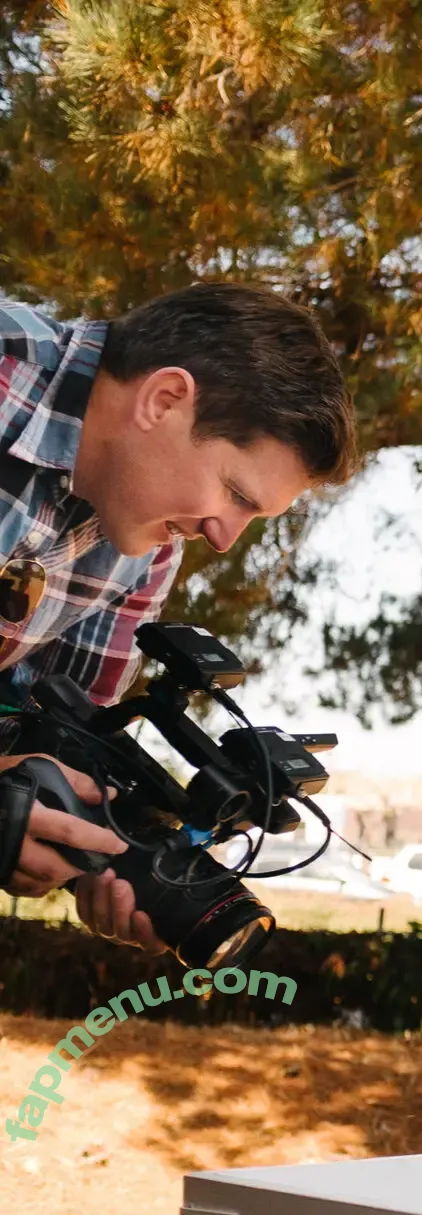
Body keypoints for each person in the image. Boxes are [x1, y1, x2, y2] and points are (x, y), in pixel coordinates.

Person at [0, 282, 356, 954]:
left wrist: (102, 850)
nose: (224, 538)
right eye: (234, 493)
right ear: (164, 399)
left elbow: (54, 747)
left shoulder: (145, 548)